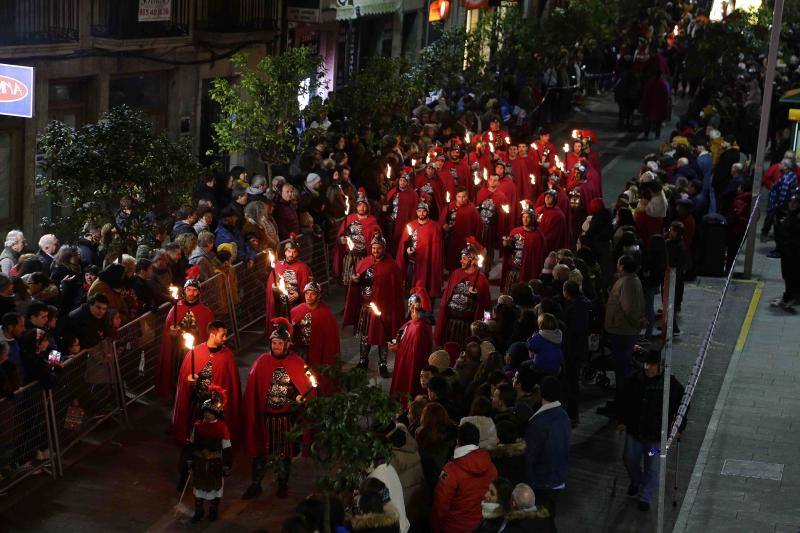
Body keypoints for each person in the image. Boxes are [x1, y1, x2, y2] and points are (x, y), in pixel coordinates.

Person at [242, 318, 315, 499]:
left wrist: (298, 397)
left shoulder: (297, 363)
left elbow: (305, 387)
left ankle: (283, 484)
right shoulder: (261, 362)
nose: (276, 346)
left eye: (280, 343)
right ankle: (256, 483)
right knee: (261, 452)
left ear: (287, 345)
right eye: (273, 343)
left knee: (285, 453)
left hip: (285, 418)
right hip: (266, 417)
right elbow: (253, 390)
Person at [618, 348, 685, 512]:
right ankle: (637, 481)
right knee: (629, 459)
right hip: (635, 432)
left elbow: (683, 405)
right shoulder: (634, 380)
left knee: (653, 467)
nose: (648, 367)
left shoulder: (671, 385)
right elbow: (622, 400)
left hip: (657, 437)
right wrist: (621, 420)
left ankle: (645, 497)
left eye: (652, 365)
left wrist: (680, 426)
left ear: (660, 366)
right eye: (646, 364)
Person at [343, 231, 404, 377]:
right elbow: (358, 283)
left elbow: (395, 291)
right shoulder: (365, 262)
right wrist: (356, 280)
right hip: (366, 307)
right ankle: (363, 361)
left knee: (383, 336)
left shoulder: (392, 266)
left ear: (384, 248)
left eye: (379, 248)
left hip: (384, 308)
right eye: (374, 248)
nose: (376, 251)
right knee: (365, 335)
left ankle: (382, 363)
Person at [172, 320, 242, 446]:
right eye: (222, 335)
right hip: (198, 405)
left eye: (226, 334)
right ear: (212, 335)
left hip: (218, 408)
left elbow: (232, 386)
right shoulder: (195, 352)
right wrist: (190, 382)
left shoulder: (227, 356)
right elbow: (185, 382)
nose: (225, 338)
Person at [431, 422, 497, 533]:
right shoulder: (491, 466)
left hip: (454, 527)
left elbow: (440, 505)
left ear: (458, 440)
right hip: (480, 525)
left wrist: (434, 528)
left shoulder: (451, 470)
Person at [181, 385, 233, 523]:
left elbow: (227, 448)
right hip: (199, 462)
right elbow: (191, 445)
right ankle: (198, 512)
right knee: (198, 490)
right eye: (205, 412)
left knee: (215, 489)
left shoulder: (222, 428)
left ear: (216, 413)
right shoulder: (198, 426)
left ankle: (213, 511)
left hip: (215, 464)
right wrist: (189, 460)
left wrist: (227, 465)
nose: (207, 415)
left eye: (210, 412)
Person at [155, 279, 215, 398]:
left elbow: (209, 335)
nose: (191, 293)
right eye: (188, 290)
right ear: (184, 291)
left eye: (194, 290)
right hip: (179, 351)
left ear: (199, 292)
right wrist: (171, 333)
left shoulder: (205, 312)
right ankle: (178, 395)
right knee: (178, 373)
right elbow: (168, 333)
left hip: (196, 350)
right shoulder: (176, 309)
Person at [601, 255, 644, 415]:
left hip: (623, 330)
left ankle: (622, 402)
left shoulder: (627, 283)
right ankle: (621, 400)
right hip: (623, 329)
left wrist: (636, 323)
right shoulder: (631, 280)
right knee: (621, 366)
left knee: (622, 367)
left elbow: (629, 308)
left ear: (622, 266)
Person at [524, 376, 570, 521]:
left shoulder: (537, 422)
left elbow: (530, 456)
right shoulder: (564, 416)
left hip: (541, 482)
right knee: (549, 518)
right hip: (558, 478)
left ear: (541, 393)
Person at [435, 239, 491, 347]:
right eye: (461, 258)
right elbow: (446, 298)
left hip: (466, 326)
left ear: (473, 261)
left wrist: (476, 297)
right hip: (451, 323)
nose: (461, 261)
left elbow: (486, 306)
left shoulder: (481, 279)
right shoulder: (456, 274)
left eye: (464, 259)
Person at [290, 281, 341, 394]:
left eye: (312, 294)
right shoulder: (296, 310)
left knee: (316, 373)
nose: (309, 296)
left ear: (318, 296)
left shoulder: (325, 314)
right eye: (307, 293)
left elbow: (330, 338)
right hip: (301, 349)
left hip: (319, 349)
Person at [389, 285, 433, 401]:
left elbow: (414, 359)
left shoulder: (419, 329)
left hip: (410, 371)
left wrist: (398, 349)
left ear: (412, 307)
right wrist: (398, 346)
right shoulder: (415, 324)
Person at [266, 234, 314, 333]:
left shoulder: (302, 267)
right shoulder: (278, 265)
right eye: (289, 251)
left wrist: (299, 294)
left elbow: (307, 287)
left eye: (294, 252)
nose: (291, 255)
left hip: (295, 303)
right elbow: (272, 285)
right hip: (280, 303)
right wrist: (274, 289)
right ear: (285, 252)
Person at [397, 200, 444, 298]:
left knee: (426, 285)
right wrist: (407, 250)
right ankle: (412, 308)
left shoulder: (434, 227)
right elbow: (404, 245)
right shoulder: (410, 226)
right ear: (416, 212)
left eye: (424, 211)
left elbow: (436, 249)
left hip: (427, 263)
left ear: (427, 212)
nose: (421, 213)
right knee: (411, 287)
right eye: (419, 211)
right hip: (412, 262)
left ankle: (426, 307)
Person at [333, 188, 381, 285]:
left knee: (363, 283)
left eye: (364, 205)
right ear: (356, 206)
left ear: (367, 207)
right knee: (348, 283)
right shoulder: (350, 218)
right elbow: (341, 235)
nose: (362, 208)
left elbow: (377, 239)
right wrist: (341, 239)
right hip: (350, 256)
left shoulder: (372, 221)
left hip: (364, 257)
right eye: (359, 205)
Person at [501, 205, 547, 293]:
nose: (525, 219)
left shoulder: (538, 236)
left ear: (533, 219)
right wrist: (506, 245)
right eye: (523, 217)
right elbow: (508, 252)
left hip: (528, 271)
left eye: (528, 217)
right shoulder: (514, 232)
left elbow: (539, 257)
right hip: (514, 270)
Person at [443, 187, 483, 273]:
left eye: (464, 196)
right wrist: (444, 226)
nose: (461, 199)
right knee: (453, 262)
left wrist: (474, 239)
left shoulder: (472, 208)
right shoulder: (450, 206)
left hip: (466, 240)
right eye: (459, 196)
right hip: (453, 240)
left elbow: (478, 224)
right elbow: (442, 221)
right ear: (455, 196)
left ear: (467, 196)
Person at [384, 168, 420, 256]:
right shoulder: (393, 191)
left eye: (404, 181)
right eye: (401, 180)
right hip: (392, 220)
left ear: (407, 183)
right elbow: (387, 203)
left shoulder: (412, 194)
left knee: (400, 240)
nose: (402, 182)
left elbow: (413, 210)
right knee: (390, 239)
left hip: (403, 221)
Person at [772, 194, 800, 308]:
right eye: (791, 202)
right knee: (787, 275)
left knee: (793, 275)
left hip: (794, 253)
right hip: (786, 252)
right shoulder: (789, 215)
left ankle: (793, 297)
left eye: (795, 202)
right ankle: (788, 296)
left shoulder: (797, 218)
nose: (792, 204)